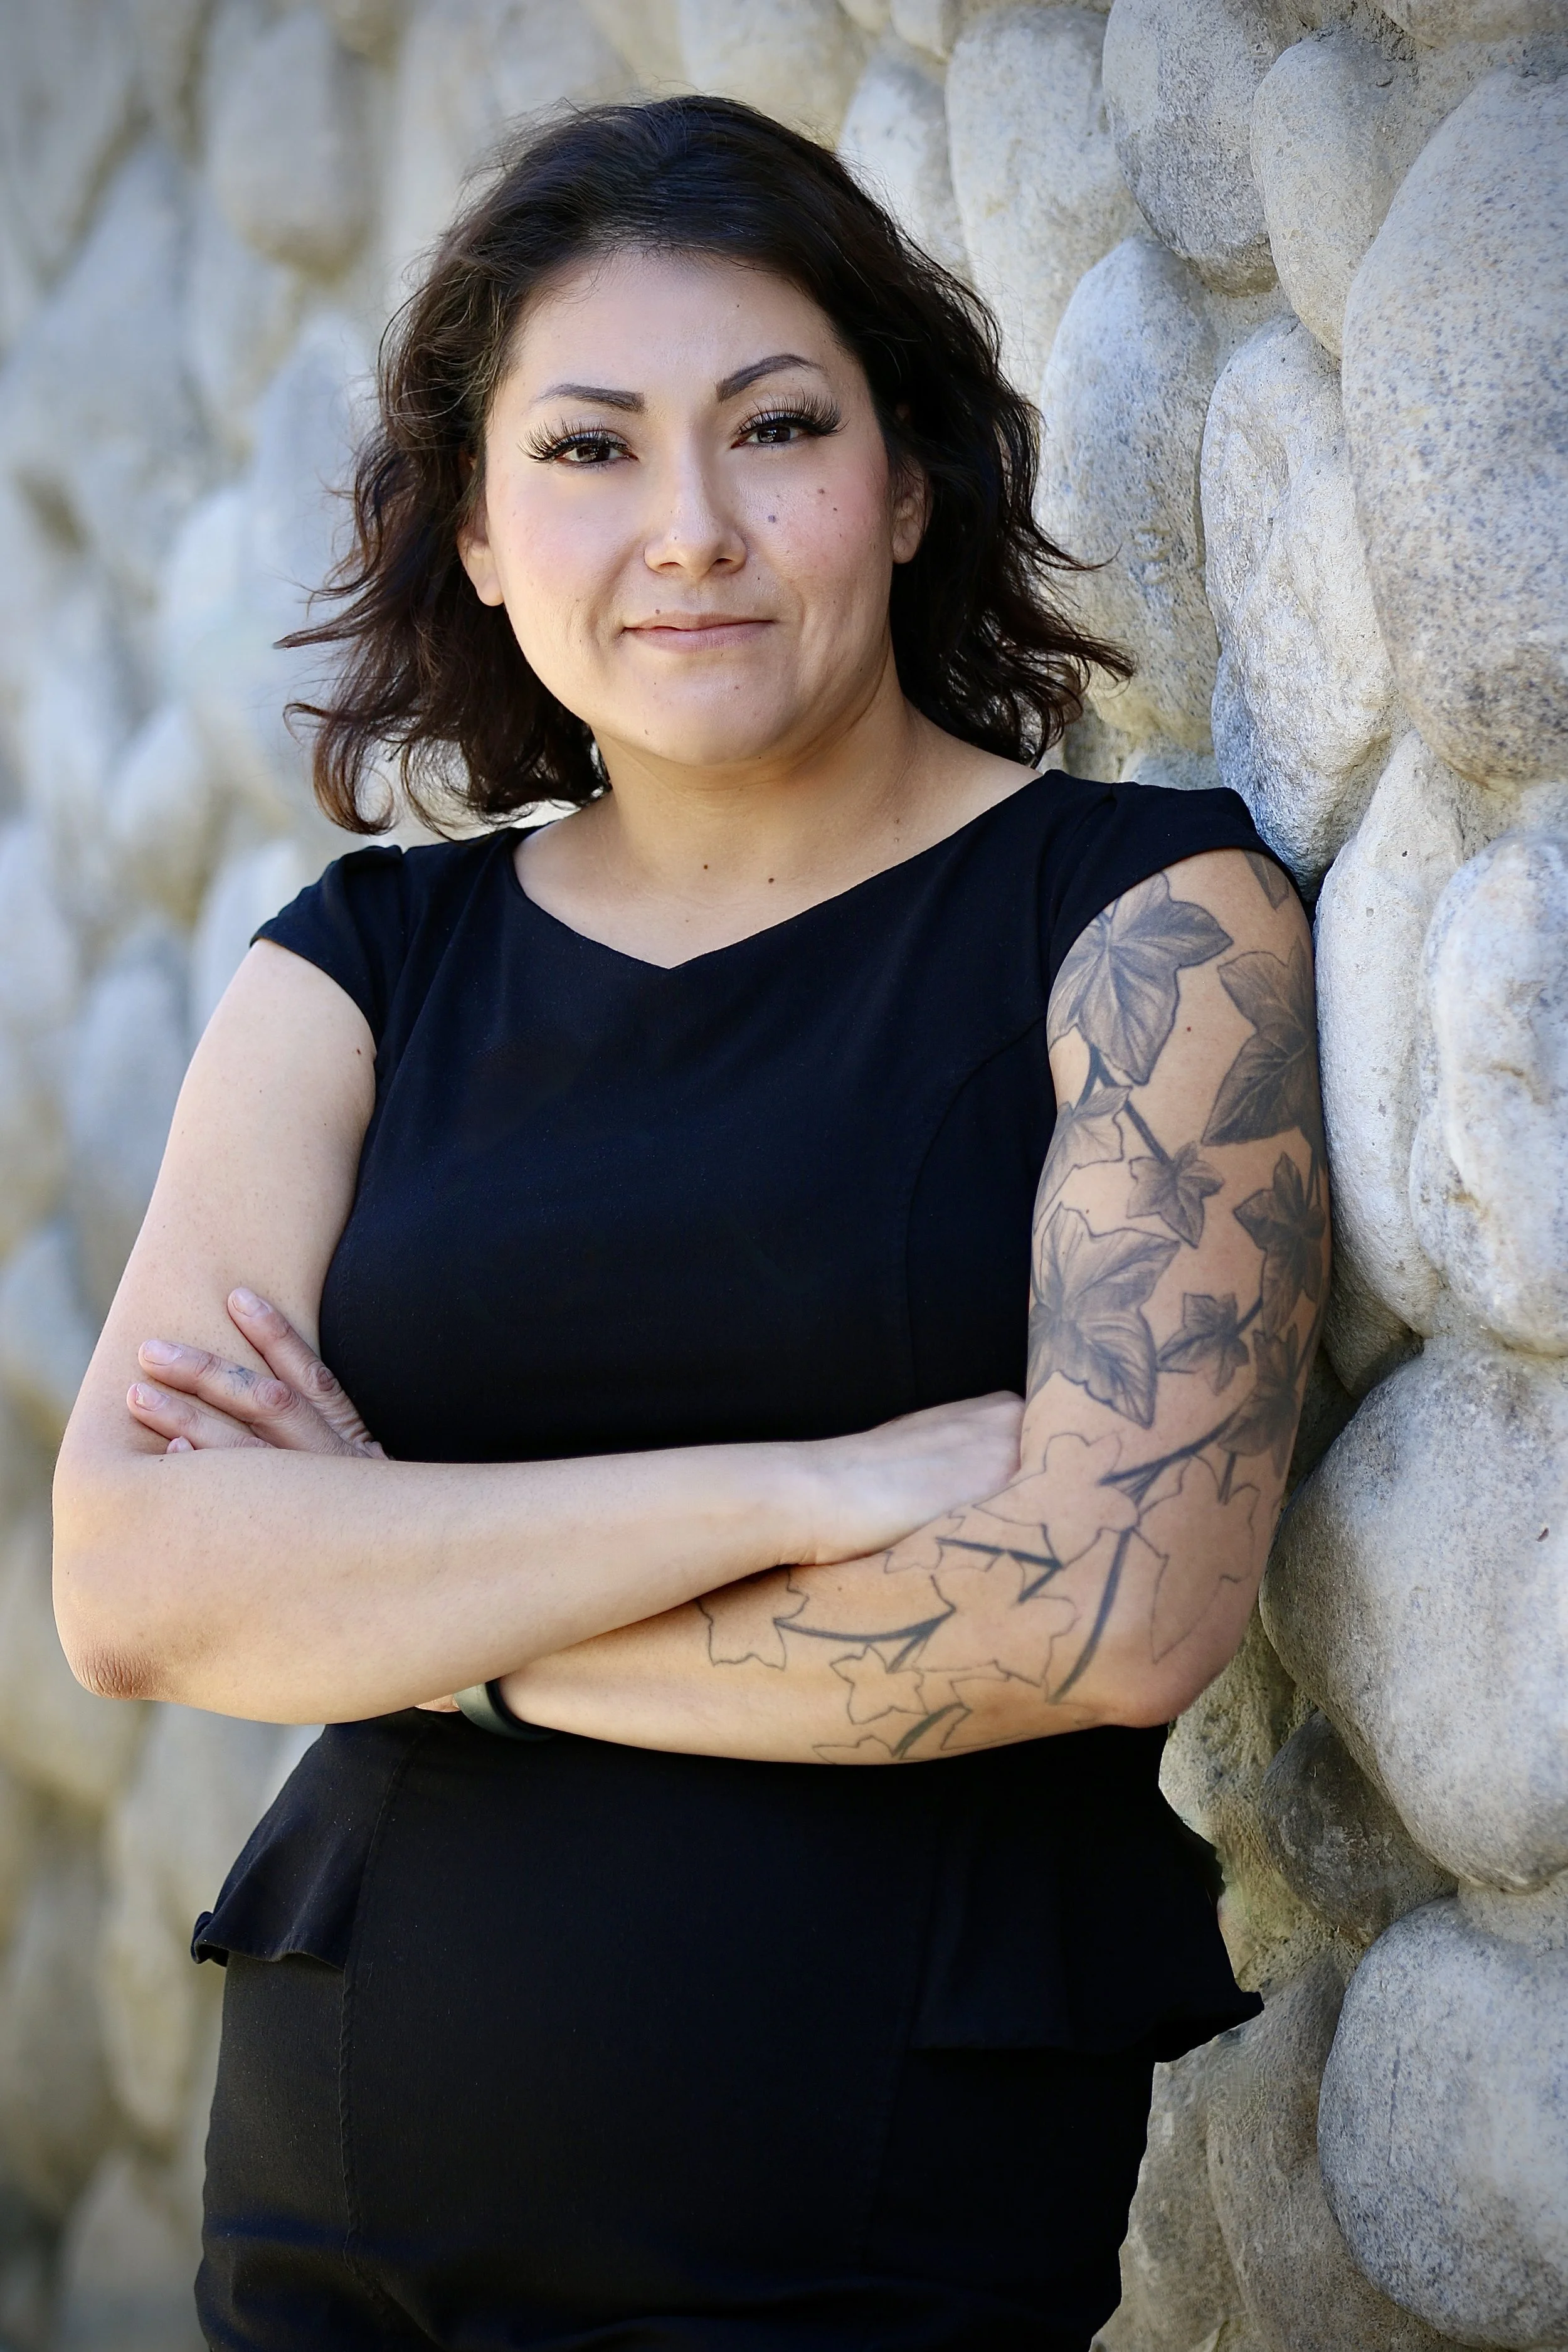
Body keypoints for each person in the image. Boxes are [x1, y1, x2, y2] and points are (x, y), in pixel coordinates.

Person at [53, 95, 1327, 2352]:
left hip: (867, 2212)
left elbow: (1109, 1608)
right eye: (586, 451)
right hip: (331, 2208)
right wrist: (803, 1487)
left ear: (908, 479)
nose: (693, 532)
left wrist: (416, 1608)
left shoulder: (1143, 925)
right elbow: (142, 1582)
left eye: (774, 428)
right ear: (469, 531)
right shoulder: (358, 970)